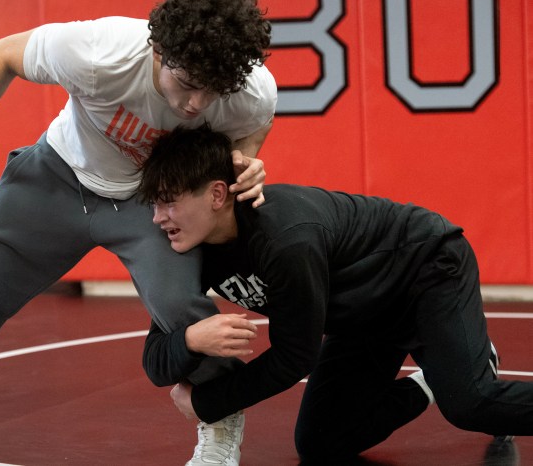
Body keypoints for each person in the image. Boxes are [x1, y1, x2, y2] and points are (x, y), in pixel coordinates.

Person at [0, 0, 277, 450]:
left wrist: (244, 158)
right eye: (187, 84)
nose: (196, 105)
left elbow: (257, 120)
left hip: (151, 201)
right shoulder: (99, 53)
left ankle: (221, 420)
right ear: (158, 51)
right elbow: (2, 55)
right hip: (58, 175)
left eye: (213, 92)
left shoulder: (248, 89)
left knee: (181, 308)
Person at [139, 124, 533, 465]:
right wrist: (189, 340)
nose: (158, 218)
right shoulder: (187, 249)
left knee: (471, 404)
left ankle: (461, 374)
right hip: (361, 314)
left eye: (170, 202)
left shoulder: (285, 239)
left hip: (424, 267)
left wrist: (209, 403)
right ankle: (431, 381)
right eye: (155, 204)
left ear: (217, 194)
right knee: (322, 443)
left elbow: (295, 356)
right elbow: (155, 360)